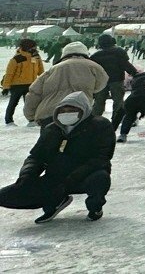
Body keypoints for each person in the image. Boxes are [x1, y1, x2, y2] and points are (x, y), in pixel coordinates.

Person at [0, 92, 114, 223]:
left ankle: (95, 207)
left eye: (72, 110)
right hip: (55, 178)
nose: (67, 113)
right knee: (5, 195)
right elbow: (37, 156)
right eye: (63, 110)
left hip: (84, 176)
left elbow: (101, 158)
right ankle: (54, 203)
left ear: (83, 110)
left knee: (100, 178)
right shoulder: (51, 129)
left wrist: (70, 179)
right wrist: (27, 175)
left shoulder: (100, 126)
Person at [23, 42, 108, 128]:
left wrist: (30, 116)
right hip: (79, 112)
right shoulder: (94, 66)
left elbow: (34, 93)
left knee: (50, 140)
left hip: (51, 114)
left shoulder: (53, 69)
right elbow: (101, 84)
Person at [89, 35, 138, 128]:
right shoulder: (119, 52)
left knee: (99, 102)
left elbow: (92, 70)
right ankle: (116, 119)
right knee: (118, 101)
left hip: (101, 81)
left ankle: (94, 120)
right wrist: (134, 73)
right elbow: (125, 65)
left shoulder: (96, 55)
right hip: (117, 80)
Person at [4, 39, 45, 126]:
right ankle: (9, 120)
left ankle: (32, 120)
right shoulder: (17, 59)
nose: (35, 48)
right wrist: (6, 87)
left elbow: (40, 71)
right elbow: (9, 74)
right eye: (33, 47)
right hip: (16, 85)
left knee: (30, 103)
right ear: (27, 47)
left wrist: (44, 80)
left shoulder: (35, 57)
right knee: (13, 102)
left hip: (31, 84)